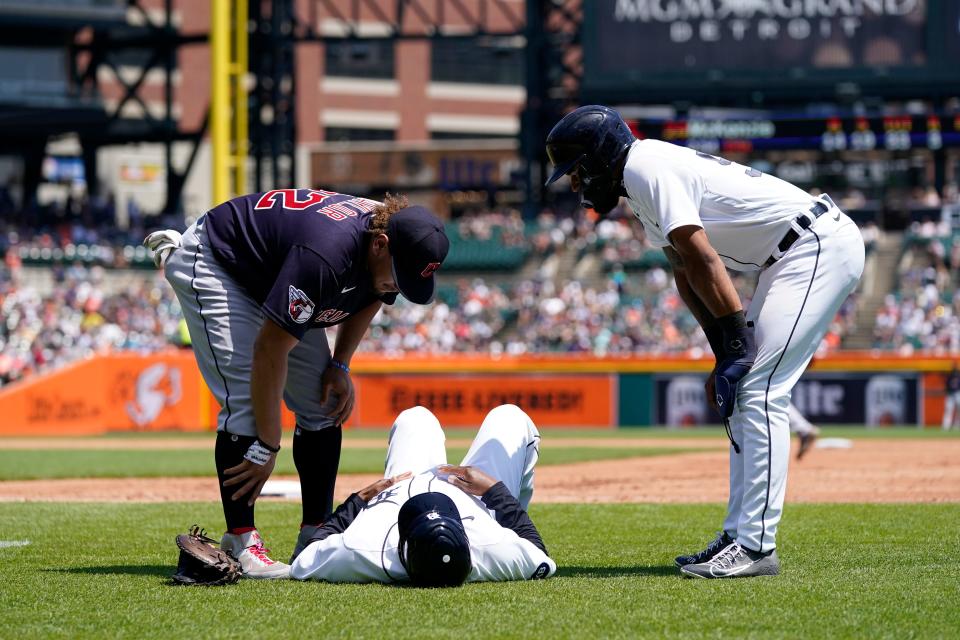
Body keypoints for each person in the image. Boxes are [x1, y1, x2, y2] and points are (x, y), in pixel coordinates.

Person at [545, 106, 864, 579]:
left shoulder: (643, 166)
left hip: (815, 245)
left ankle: (755, 546)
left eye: (576, 171)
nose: (575, 184)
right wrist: (724, 349)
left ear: (599, 157)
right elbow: (683, 270)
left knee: (758, 389)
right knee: (741, 391)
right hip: (790, 255)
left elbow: (701, 254)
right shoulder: (639, 178)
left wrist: (737, 341)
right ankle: (739, 535)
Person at [144, 189, 449, 579]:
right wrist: (268, 445)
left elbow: (376, 292)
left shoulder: (390, 235)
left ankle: (316, 534)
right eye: (399, 274)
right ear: (379, 245)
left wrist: (340, 362)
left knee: (322, 402)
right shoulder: (328, 251)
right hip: (220, 259)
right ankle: (240, 538)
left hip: (274, 269)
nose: (398, 286)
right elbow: (269, 351)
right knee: (246, 405)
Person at [290, 404, 557, 585]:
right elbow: (537, 550)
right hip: (477, 504)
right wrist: (495, 491)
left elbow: (304, 557)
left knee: (415, 417)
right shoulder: (492, 548)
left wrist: (359, 500)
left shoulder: (365, 549)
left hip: (398, 492)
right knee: (510, 416)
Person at [942, 363, 960, 430]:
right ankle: (946, 426)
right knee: (948, 410)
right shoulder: (949, 376)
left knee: (958, 411)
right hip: (950, 394)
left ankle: (957, 426)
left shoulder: (958, 375)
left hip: (958, 393)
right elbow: (946, 386)